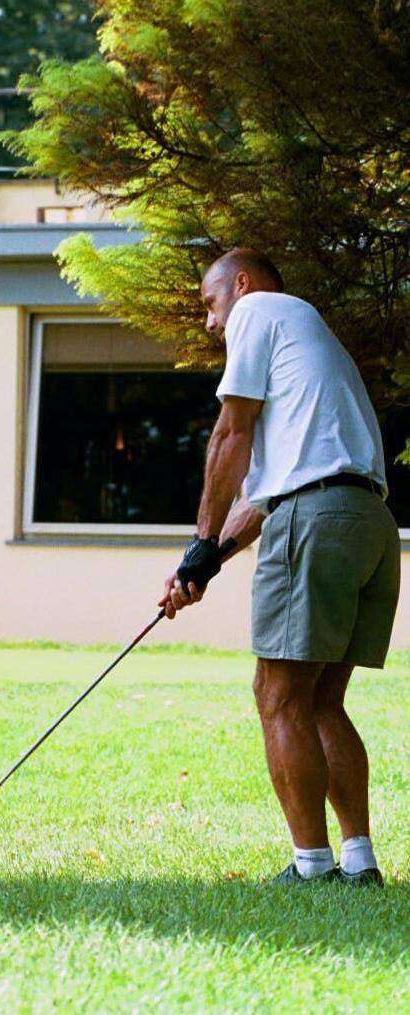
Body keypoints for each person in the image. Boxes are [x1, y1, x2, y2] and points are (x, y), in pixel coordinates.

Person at [161, 248, 399, 888]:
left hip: (318, 521)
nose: (212, 324)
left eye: (211, 305)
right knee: (322, 699)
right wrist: (203, 567)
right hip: (370, 524)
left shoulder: (259, 311)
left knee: (278, 695)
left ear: (240, 285)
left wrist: (196, 540)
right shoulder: (309, 340)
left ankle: (311, 866)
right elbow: (266, 500)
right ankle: (359, 861)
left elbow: (229, 437)